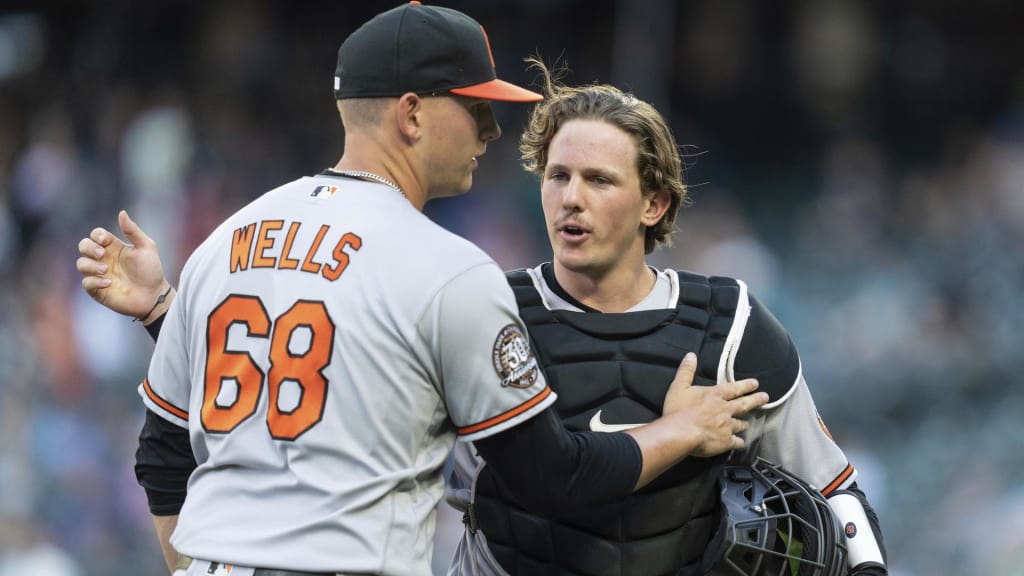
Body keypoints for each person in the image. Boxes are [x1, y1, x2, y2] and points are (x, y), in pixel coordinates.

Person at [75, 4, 769, 576]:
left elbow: (165, 453)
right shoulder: (447, 269)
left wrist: (164, 313)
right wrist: (680, 429)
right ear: (411, 114)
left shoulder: (225, 242)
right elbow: (551, 478)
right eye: (475, 108)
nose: (491, 131)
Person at [440, 59, 888, 576]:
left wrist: (868, 569)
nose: (571, 199)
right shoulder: (489, 313)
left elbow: (835, 491)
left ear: (653, 204)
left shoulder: (729, 326)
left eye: (599, 180)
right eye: (558, 176)